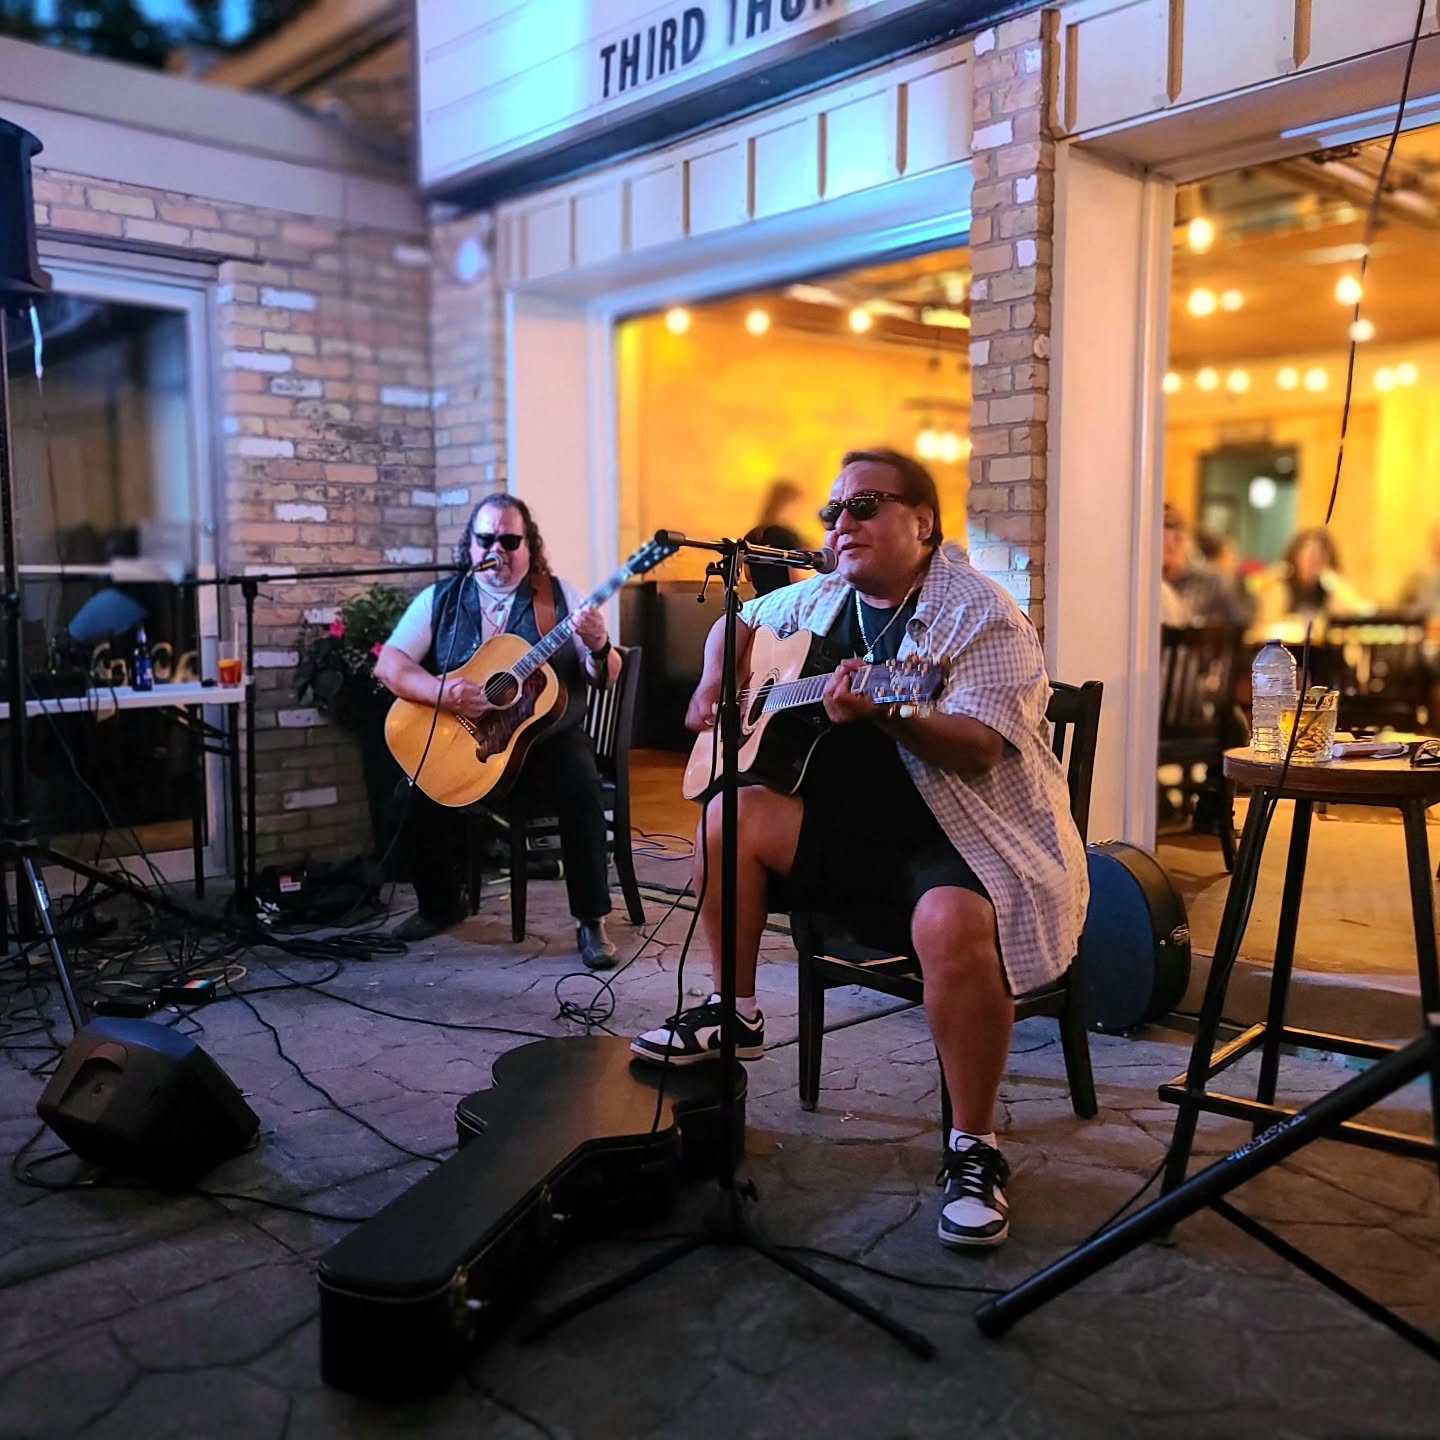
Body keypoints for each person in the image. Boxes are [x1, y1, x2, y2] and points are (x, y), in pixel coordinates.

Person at [630, 447, 1088, 1250]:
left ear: (923, 522)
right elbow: (738, 624)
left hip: (964, 839)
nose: (841, 524)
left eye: (865, 505)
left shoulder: (982, 615)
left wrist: (890, 712)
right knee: (723, 815)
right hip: (850, 836)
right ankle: (735, 1014)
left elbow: (980, 749)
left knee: (949, 922)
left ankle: (973, 1148)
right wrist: (713, 683)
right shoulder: (822, 597)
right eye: (832, 512)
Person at [374, 494, 622, 967]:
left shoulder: (561, 597)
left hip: (544, 746)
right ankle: (439, 905)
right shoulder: (441, 600)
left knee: (581, 783)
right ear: (470, 544)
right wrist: (444, 692)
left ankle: (591, 918)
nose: (498, 549)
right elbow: (391, 665)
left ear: (530, 546)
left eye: (511, 540)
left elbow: (606, 675)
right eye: (486, 538)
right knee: (409, 795)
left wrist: (598, 645)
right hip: (469, 747)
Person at [1251, 527, 1372, 635]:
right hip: (1287, 652)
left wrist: (1334, 581)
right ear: (1295, 556)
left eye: (1319, 558)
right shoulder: (1282, 587)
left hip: (1322, 653)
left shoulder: (1328, 588)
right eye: (1307, 556)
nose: (1311, 563)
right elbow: (1265, 629)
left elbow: (1355, 614)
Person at [1161, 505, 1243, 627]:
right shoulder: (1144, 585)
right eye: (1164, 536)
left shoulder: (1210, 582)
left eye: (1177, 536)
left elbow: (1234, 629)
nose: (1171, 543)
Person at [743, 478, 809, 594]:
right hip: (787, 603)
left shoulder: (752, 535)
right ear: (787, 505)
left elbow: (749, 576)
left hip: (762, 601)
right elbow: (797, 578)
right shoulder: (786, 536)